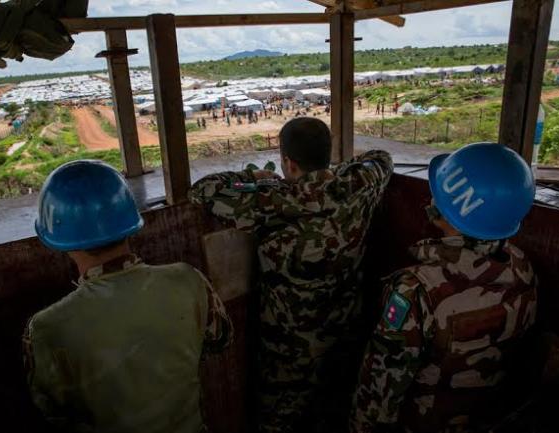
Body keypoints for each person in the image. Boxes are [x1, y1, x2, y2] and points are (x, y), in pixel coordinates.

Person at [189, 117, 393, 433]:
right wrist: (334, 175)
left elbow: (202, 190)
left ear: (288, 162)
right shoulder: (360, 184)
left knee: (277, 422)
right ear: (328, 152)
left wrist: (251, 176)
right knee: (334, 413)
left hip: (288, 352)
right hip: (344, 338)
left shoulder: (270, 199)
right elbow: (381, 157)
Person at [24, 160, 232, 433]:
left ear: (58, 238)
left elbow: (52, 412)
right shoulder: (188, 279)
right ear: (129, 220)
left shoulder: (46, 329)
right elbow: (220, 341)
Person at [351, 143, 538, 433]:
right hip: (486, 417)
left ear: (451, 209)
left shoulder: (416, 289)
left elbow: (381, 386)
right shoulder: (521, 266)